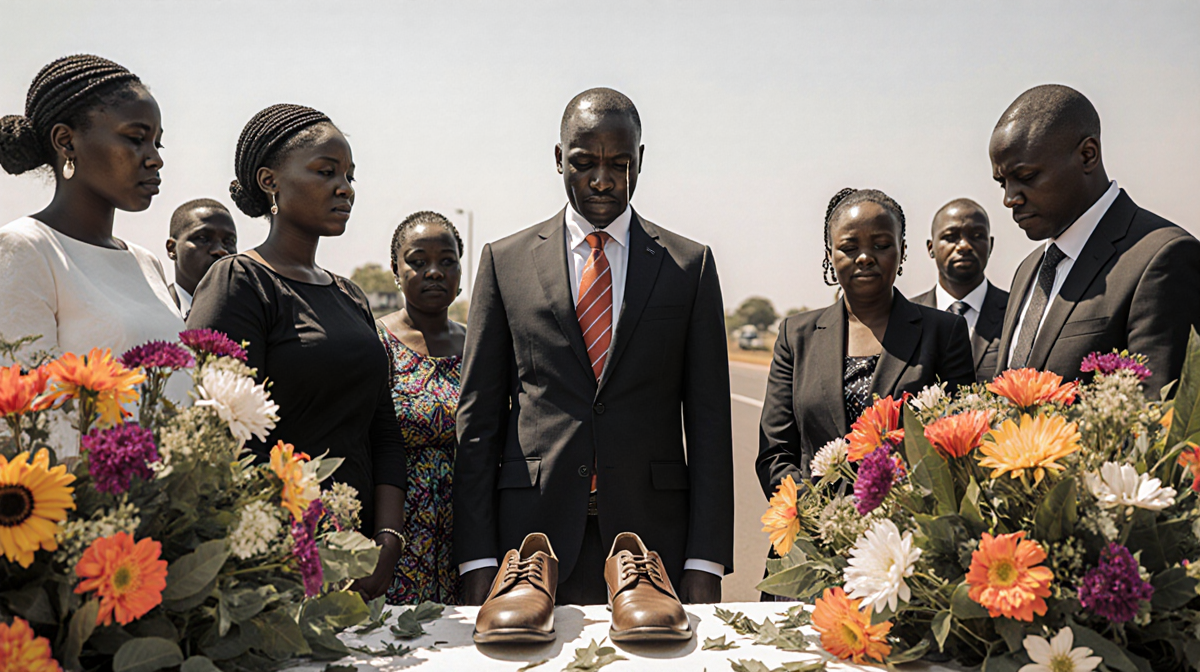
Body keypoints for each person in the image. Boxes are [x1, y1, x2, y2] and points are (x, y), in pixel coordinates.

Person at [454, 88, 733, 607]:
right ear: (559, 158)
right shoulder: (505, 262)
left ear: (640, 159)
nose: (602, 180)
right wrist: (476, 558)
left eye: (619, 163)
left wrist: (705, 561)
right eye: (584, 163)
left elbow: (710, 423)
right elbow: (478, 421)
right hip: (528, 545)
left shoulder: (688, 266)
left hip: (653, 544)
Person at [186, 104, 406, 601]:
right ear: (270, 182)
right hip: (273, 565)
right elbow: (223, 439)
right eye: (326, 172)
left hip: (360, 557)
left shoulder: (350, 296)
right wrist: (297, 551)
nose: (345, 188)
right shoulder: (240, 282)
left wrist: (386, 541)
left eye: (349, 175)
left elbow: (382, 429)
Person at [756, 188, 975, 495]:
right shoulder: (795, 336)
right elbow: (775, 453)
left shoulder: (944, 332)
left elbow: (960, 444)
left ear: (902, 250)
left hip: (911, 520)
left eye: (881, 245)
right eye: (849, 247)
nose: (865, 257)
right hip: (816, 519)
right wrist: (819, 513)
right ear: (829, 254)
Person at [990, 85, 1200, 396]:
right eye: (1002, 183)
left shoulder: (1163, 257)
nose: (1009, 199)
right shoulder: (1028, 271)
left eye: (1027, 176)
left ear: (1088, 155)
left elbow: (1160, 415)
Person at [0, 55, 183, 378]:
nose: (155, 159)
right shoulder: (26, 247)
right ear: (66, 142)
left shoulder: (146, 262)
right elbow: (29, 400)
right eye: (136, 139)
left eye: (158, 143)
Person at [376, 211, 465, 605]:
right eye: (417, 261)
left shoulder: (480, 344)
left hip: (469, 534)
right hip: (396, 533)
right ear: (396, 270)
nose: (434, 272)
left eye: (447, 261)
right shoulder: (376, 341)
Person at [912, 199, 1009, 382]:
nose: (964, 246)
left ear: (990, 245)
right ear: (931, 248)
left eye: (977, 235)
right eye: (950, 237)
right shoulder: (905, 316)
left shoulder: (1017, 311)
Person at [166, 198, 238, 318]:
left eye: (229, 241)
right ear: (172, 249)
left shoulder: (251, 315)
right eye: (203, 238)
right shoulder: (152, 311)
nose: (220, 250)